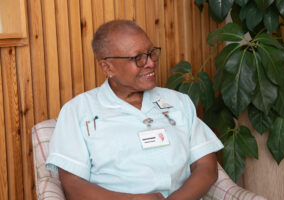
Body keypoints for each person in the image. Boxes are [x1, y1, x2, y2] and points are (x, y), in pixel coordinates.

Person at [46, 20, 223, 200]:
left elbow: (206, 166)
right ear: (107, 67)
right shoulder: (78, 111)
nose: (151, 63)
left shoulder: (178, 102)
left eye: (151, 53)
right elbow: (73, 185)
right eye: (138, 58)